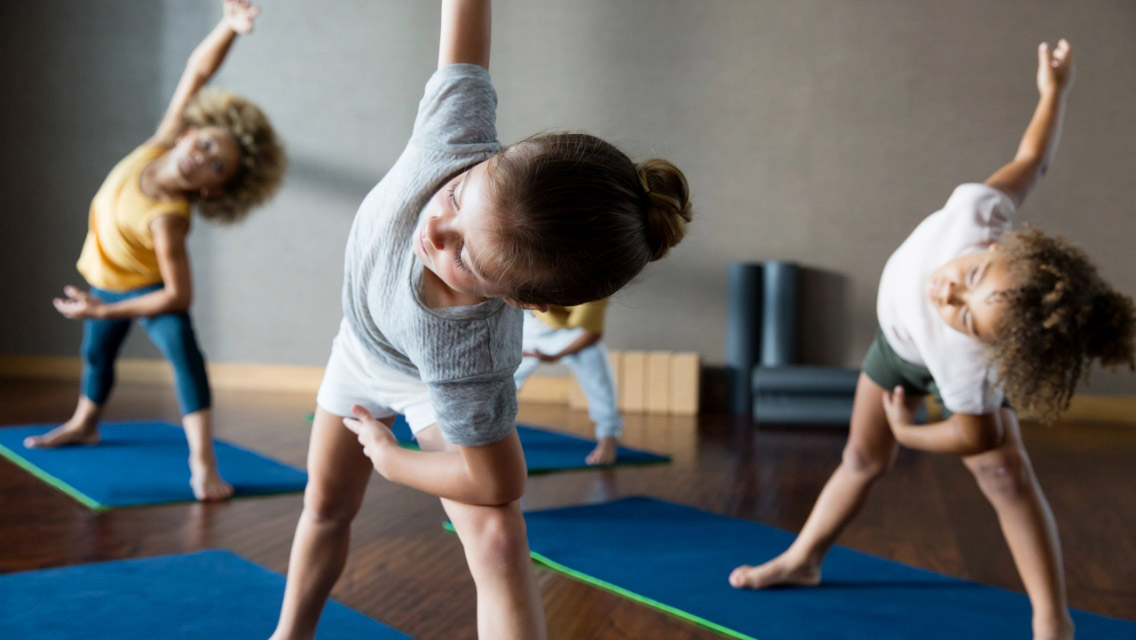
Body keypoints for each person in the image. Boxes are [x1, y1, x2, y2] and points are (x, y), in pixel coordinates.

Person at [269, 1, 692, 638]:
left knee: (498, 534)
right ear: (493, 158)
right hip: (361, 348)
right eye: (460, 197)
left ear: (521, 302)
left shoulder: (472, 352)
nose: (436, 228)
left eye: (464, 254)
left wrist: (393, 461)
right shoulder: (456, 136)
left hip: (425, 379)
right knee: (324, 505)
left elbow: (498, 479)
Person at [729, 40, 1134, 640]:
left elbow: (976, 432)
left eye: (968, 316)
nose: (949, 297)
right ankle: (804, 558)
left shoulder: (971, 366)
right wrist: (1056, 93)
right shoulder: (979, 211)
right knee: (861, 458)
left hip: (933, 365)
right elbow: (1033, 159)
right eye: (971, 281)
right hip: (894, 344)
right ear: (998, 249)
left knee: (1003, 473)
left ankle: (1052, 618)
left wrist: (911, 432)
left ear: (994, 348)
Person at [24, 0, 287, 502]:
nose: (203, 159)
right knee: (96, 355)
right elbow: (197, 71)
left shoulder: (167, 219)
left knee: (184, 356)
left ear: (214, 191)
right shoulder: (161, 142)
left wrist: (108, 308)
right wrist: (229, 27)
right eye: (208, 145)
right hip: (107, 279)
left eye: (217, 168)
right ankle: (84, 423)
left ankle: (203, 464)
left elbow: (177, 296)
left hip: (143, 291)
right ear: (190, 132)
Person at [514, 300, 624, 465]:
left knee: (597, 373)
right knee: (503, 381)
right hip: (527, 327)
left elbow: (591, 334)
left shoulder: (595, 286)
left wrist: (554, 357)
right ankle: (491, 436)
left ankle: (608, 438)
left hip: (569, 334)